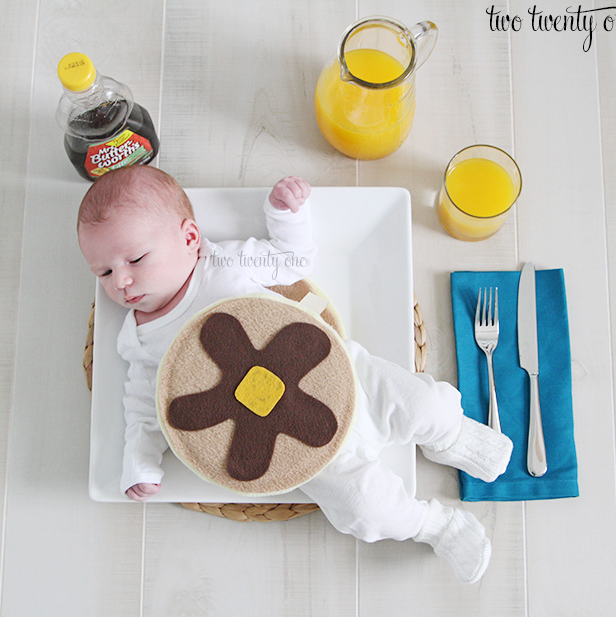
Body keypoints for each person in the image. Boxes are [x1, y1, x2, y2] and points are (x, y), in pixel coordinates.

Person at [78, 165, 513, 584]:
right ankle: (435, 527)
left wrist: (286, 215)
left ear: (190, 238)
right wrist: (140, 461)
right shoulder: (139, 338)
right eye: (104, 272)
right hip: (295, 446)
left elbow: (291, 261)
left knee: (423, 404)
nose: (122, 282)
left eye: (135, 258)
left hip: (342, 376)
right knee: (364, 508)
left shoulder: (223, 264)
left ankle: (454, 438)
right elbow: (142, 404)